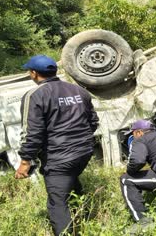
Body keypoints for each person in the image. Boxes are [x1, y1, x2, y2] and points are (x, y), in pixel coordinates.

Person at [14, 55, 99, 235]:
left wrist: (25, 161)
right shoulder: (78, 90)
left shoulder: (35, 95)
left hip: (59, 157)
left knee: (57, 203)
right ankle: (82, 221)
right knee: (72, 183)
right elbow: (93, 122)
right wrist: (79, 141)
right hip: (84, 152)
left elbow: (32, 132)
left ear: (34, 73)